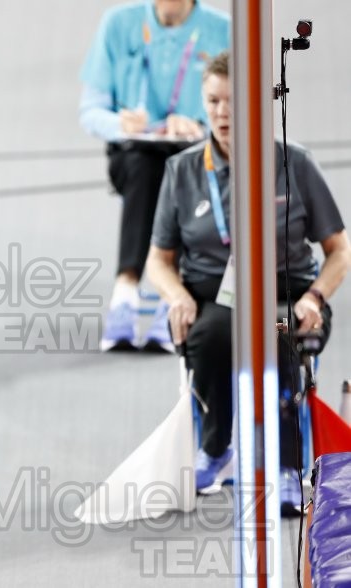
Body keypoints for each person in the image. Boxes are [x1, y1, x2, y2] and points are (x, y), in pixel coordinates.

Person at [145, 51, 351, 512]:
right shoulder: (182, 171)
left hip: (286, 293)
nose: (222, 113)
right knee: (213, 333)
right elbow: (158, 261)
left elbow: (340, 251)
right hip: (214, 295)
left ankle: (286, 465)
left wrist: (316, 296)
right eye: (213, 101)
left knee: (277, 335)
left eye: (232, 101)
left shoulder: (294, 164)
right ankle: (217, 450)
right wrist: (176, 294)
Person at [79, 0, 230, 352]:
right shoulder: (118, 24)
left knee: (179, 170)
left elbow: (243, 109)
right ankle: (126, 292)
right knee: (145, 167)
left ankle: (172, 298)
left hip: (195, 152)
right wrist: (120, 123)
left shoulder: (221, 30)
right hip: (134, 155)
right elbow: (89, 110)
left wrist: (202, 126)